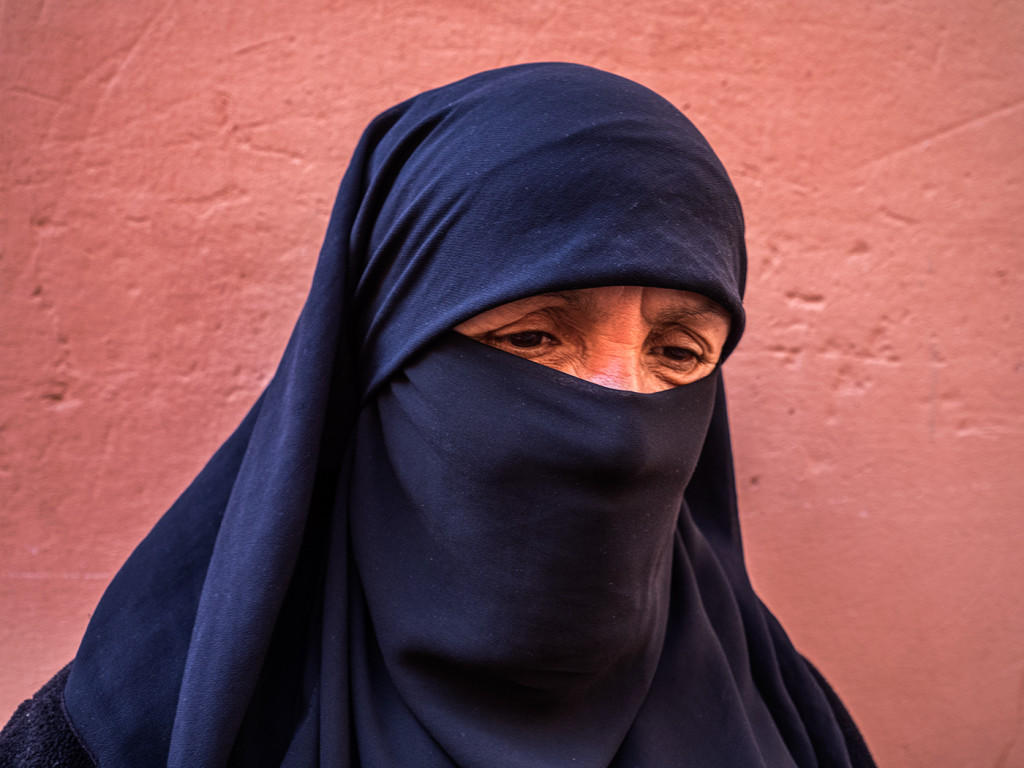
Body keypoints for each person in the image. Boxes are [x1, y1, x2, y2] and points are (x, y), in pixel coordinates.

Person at [0, 62, 877, 767]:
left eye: (678, 353)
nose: (619, 423)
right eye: (534, 336)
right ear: (384, 359)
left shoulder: (792, 723)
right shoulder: (138, 726)